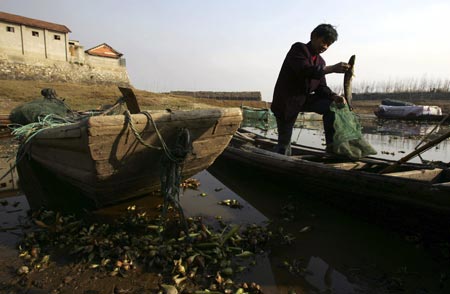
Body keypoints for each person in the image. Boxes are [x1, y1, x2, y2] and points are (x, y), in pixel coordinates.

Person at [271, 24, 350, 155]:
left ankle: (332, 148)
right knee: (284, 145)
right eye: (324, 42)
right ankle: (280, 157)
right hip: (287, 100)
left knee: (332, 107)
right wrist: (331, 69)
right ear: (313, 36)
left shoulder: (321, 62)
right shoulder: (298, 49)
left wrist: (333, 96)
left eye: (328, 44)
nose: (325, 47)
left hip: (305, 99)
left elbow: (321, 87)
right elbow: (305, 70)